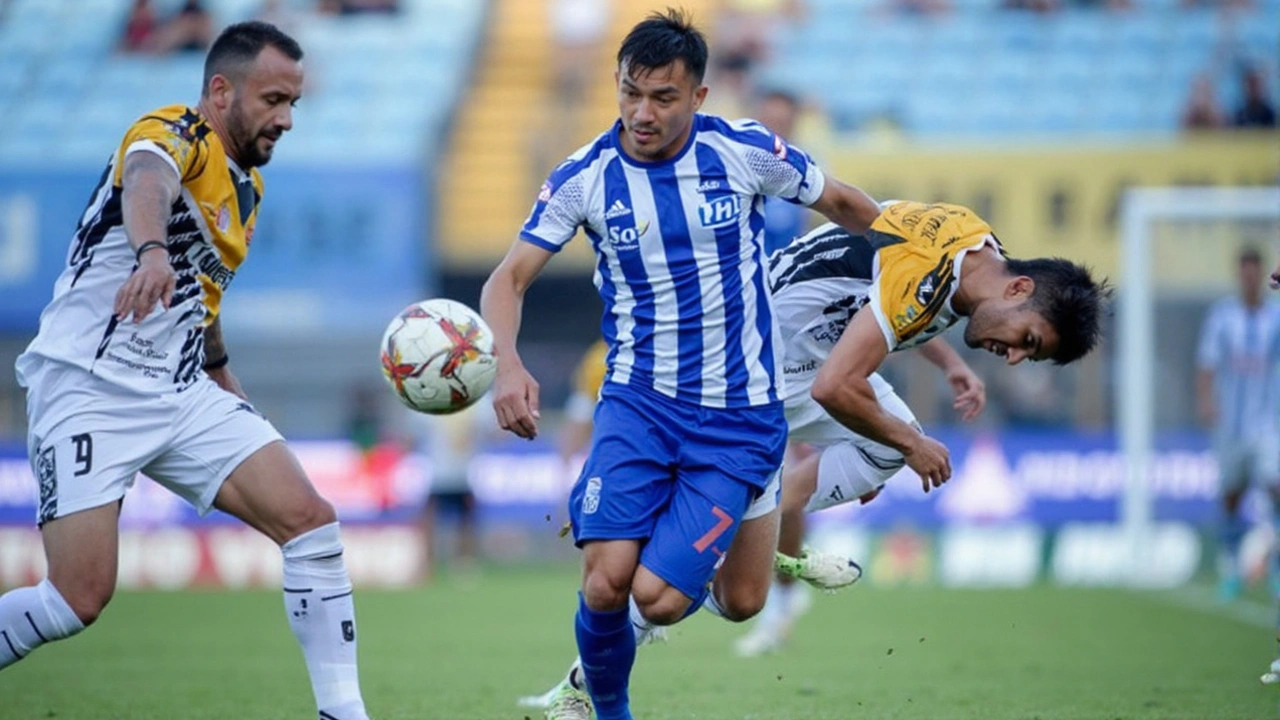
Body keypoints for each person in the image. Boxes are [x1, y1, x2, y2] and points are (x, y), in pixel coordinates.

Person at [519, 199, 1109, 708]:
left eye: (1027, 356)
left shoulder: (972, 244)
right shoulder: (929, 278)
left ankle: (735, 532)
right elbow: (839, 385)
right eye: (1027, 341)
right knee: (890, 446)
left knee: (746, 596)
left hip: (800, 353)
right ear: (1020, 287)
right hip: (754, 366)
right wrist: (907, 442)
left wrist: (948, 368)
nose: (1013, 357)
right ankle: (594, 668)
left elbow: (885, 303)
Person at [481, 10, 897, 720]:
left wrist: (931, 254)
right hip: (637, 405)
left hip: (738, 419)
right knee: (607, 583)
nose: (642, 113)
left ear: (699, 97)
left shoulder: (743, 151)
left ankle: (728, 535)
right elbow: (506, 280)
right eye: (630, 92)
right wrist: (507, 364)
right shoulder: (584, 177)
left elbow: (847, 204)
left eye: (663, 98)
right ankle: (604, 711)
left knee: (695, 602)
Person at [0, 22, 375, 720]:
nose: (286, 119)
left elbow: (204, 297)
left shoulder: (248, 189)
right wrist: (150, 253)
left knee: (311, 522)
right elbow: (147, 181)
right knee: (75, 599)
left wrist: (225, 376)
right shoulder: (173, 129)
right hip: (88, 384)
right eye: (272, 99)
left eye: (293, 102)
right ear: (220, 90)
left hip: (178, 391)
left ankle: (343, 713)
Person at [1196, 246, 1280, 605]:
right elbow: (1206, 365)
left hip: (1267, 423)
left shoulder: (1276, 317)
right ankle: (1232, 568)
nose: (1249, 277)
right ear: (1238, 274)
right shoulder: (1222, 318)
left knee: (1276, 489)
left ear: (1260, 274)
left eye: (1254, 271)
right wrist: (1206, 400)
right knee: (1232, 496)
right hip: (1230, 424)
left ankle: (1274, 570)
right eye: (1244, 271)